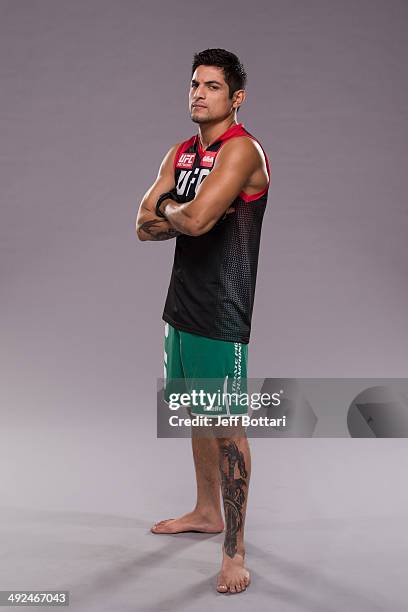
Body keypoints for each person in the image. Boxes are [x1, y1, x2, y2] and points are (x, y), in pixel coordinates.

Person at [135, 48, 270, 594]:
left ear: (235, 98)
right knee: (193, 410)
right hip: (181, 305)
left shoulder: (241, 152)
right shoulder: (182, 151)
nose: (198, 93)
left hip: (222, 310)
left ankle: (234, 550)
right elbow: (141, 226)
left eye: (212, 86)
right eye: (194, 84)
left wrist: (171, 209)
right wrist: (175, 213)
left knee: (227, 426)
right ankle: (205, 510)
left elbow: (188, 218)